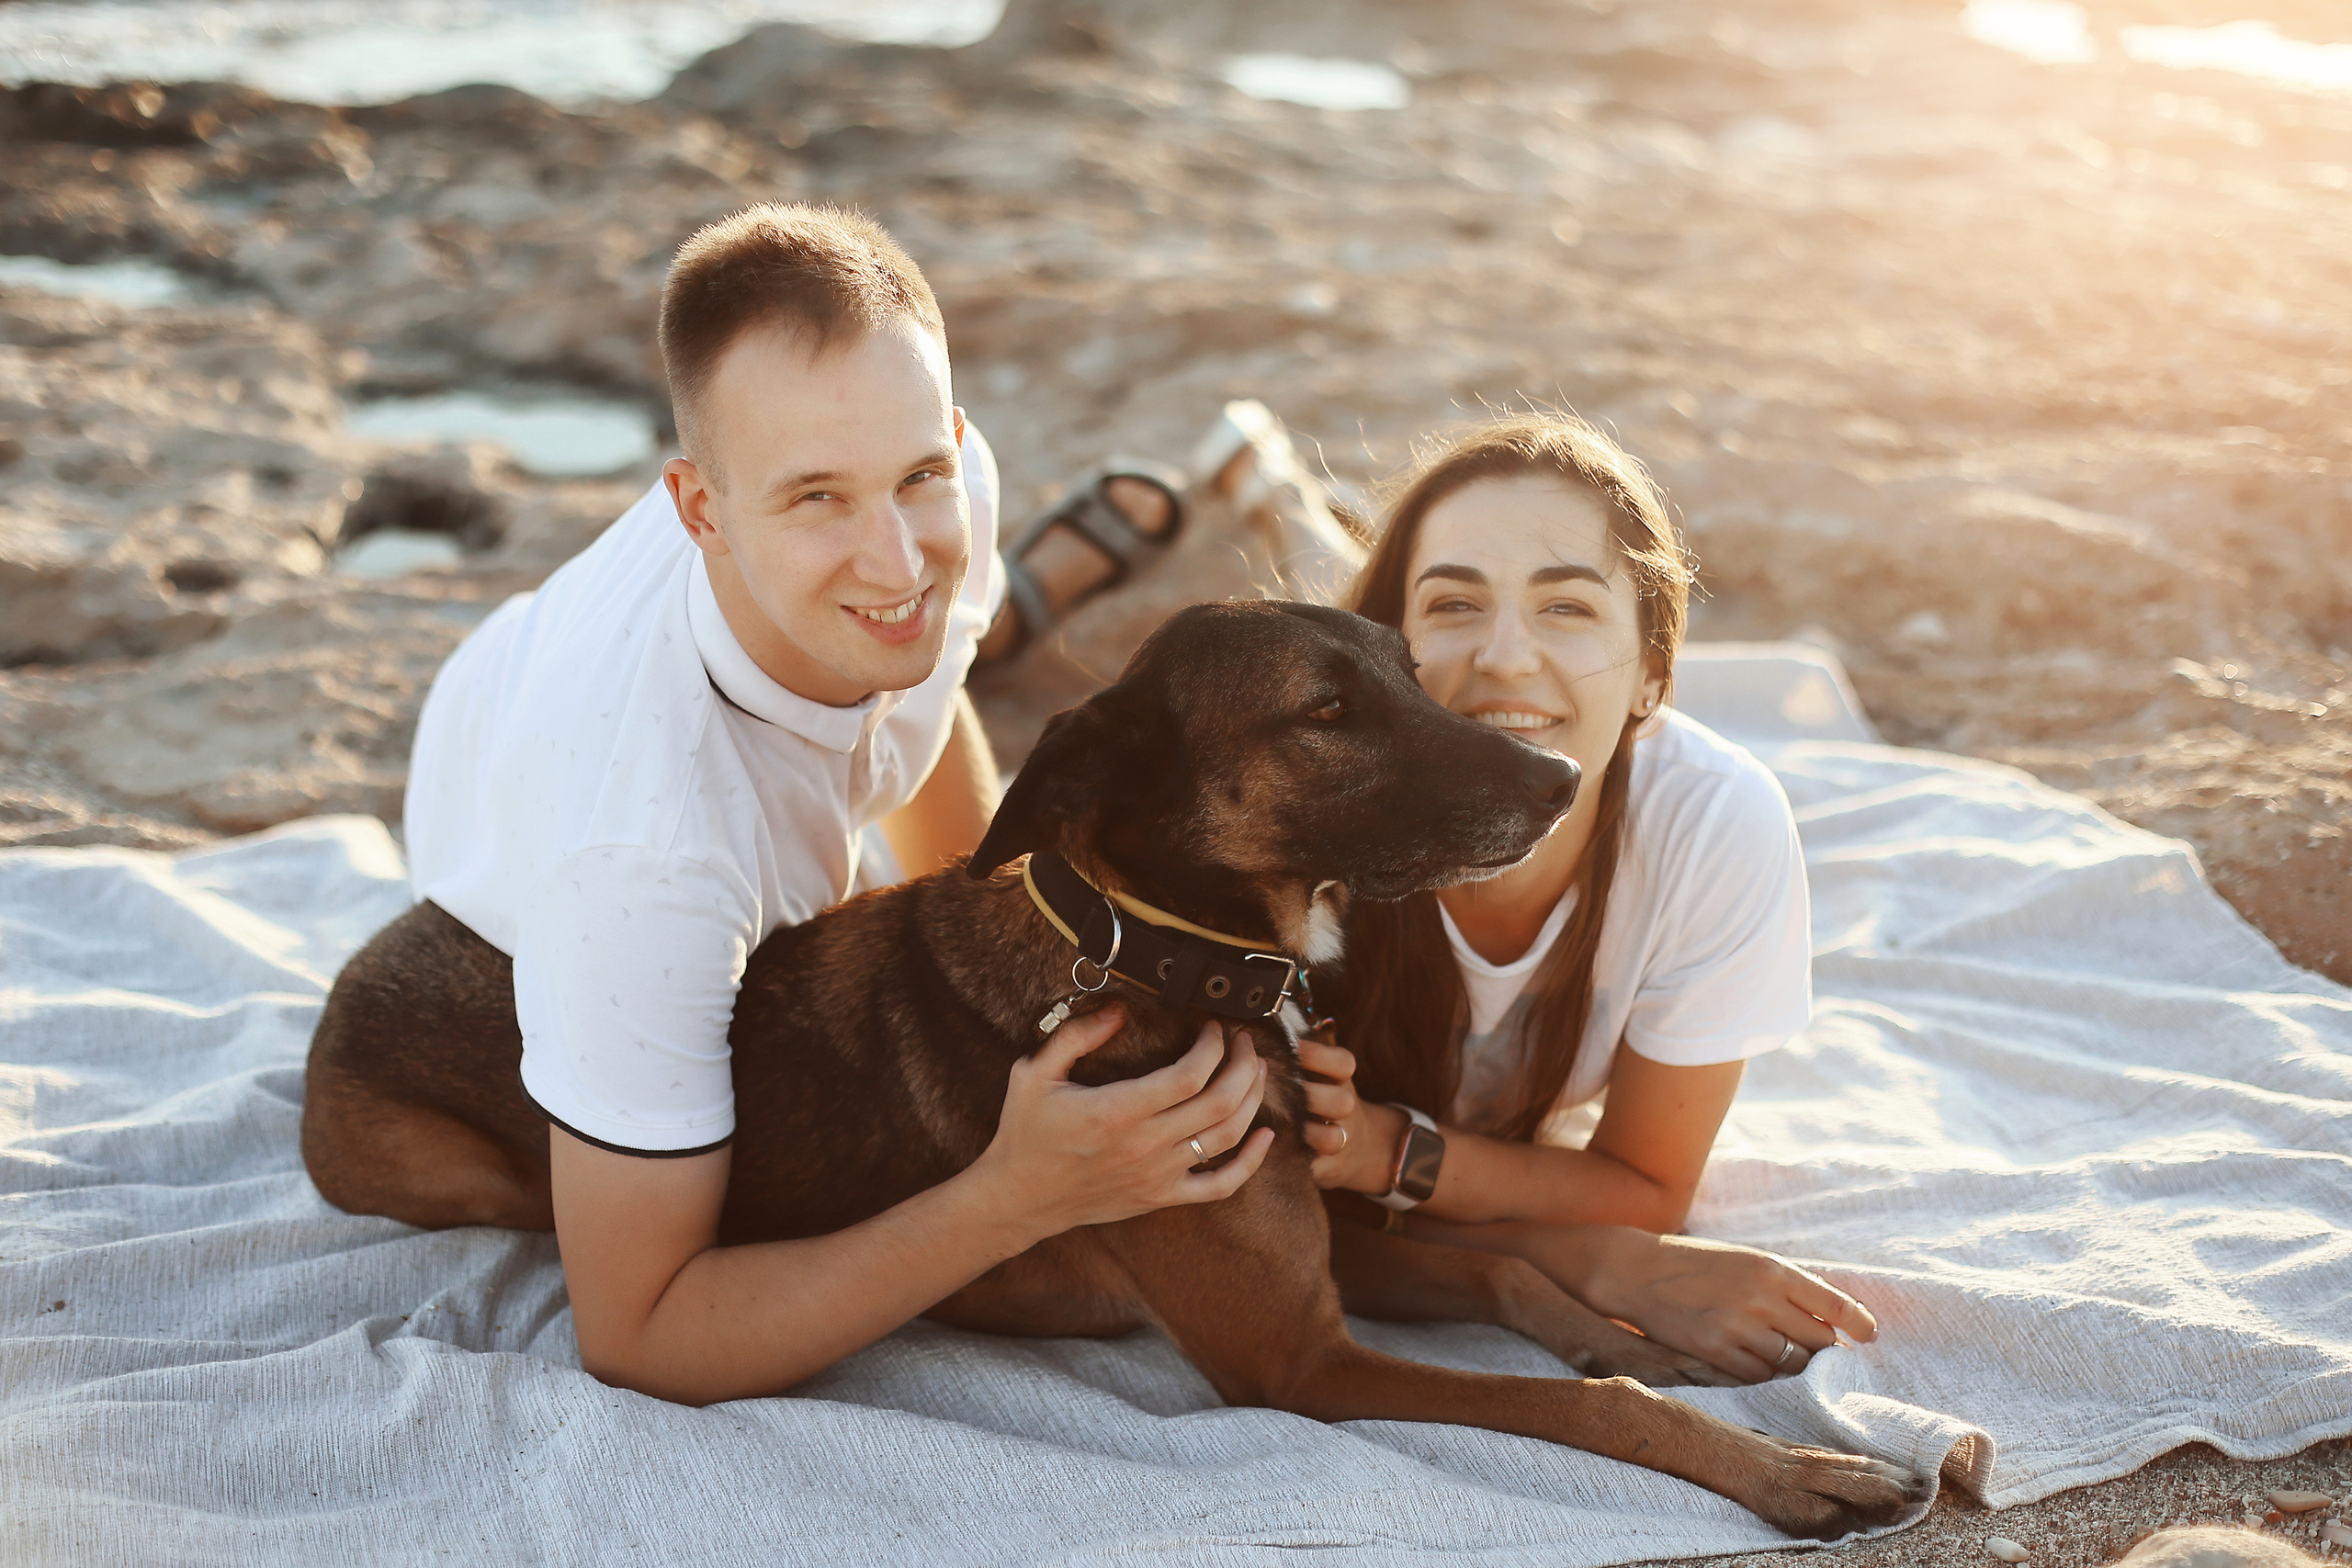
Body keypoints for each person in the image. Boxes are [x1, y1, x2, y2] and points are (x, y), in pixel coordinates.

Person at [373, 203, 1272, 1405]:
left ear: (954, 436)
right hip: (514, 831)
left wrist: (1002, 939)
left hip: (706, 695)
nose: (900, 554)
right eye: (818, 498)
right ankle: (1055, 577)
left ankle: (1016, 583)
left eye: (921, 475)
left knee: (915, 617)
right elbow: (640, 1332)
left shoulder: (942, 474)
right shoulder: (652, 867)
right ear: (699, 511)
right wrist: (1013, 1196)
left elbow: (930, 661)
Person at [1294, 413, 1880, 1384]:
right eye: (1450, 605)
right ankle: (1271, 493)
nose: (1506, 659)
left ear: (1653, 671)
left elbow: (1644, 1186)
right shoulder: (1297, 814)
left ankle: (1279, 492)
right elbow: (1241, 1210)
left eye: (1566, 607)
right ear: (1384, 650)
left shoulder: (1713, 823)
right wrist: (1587, 1259)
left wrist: (1387, 1153)